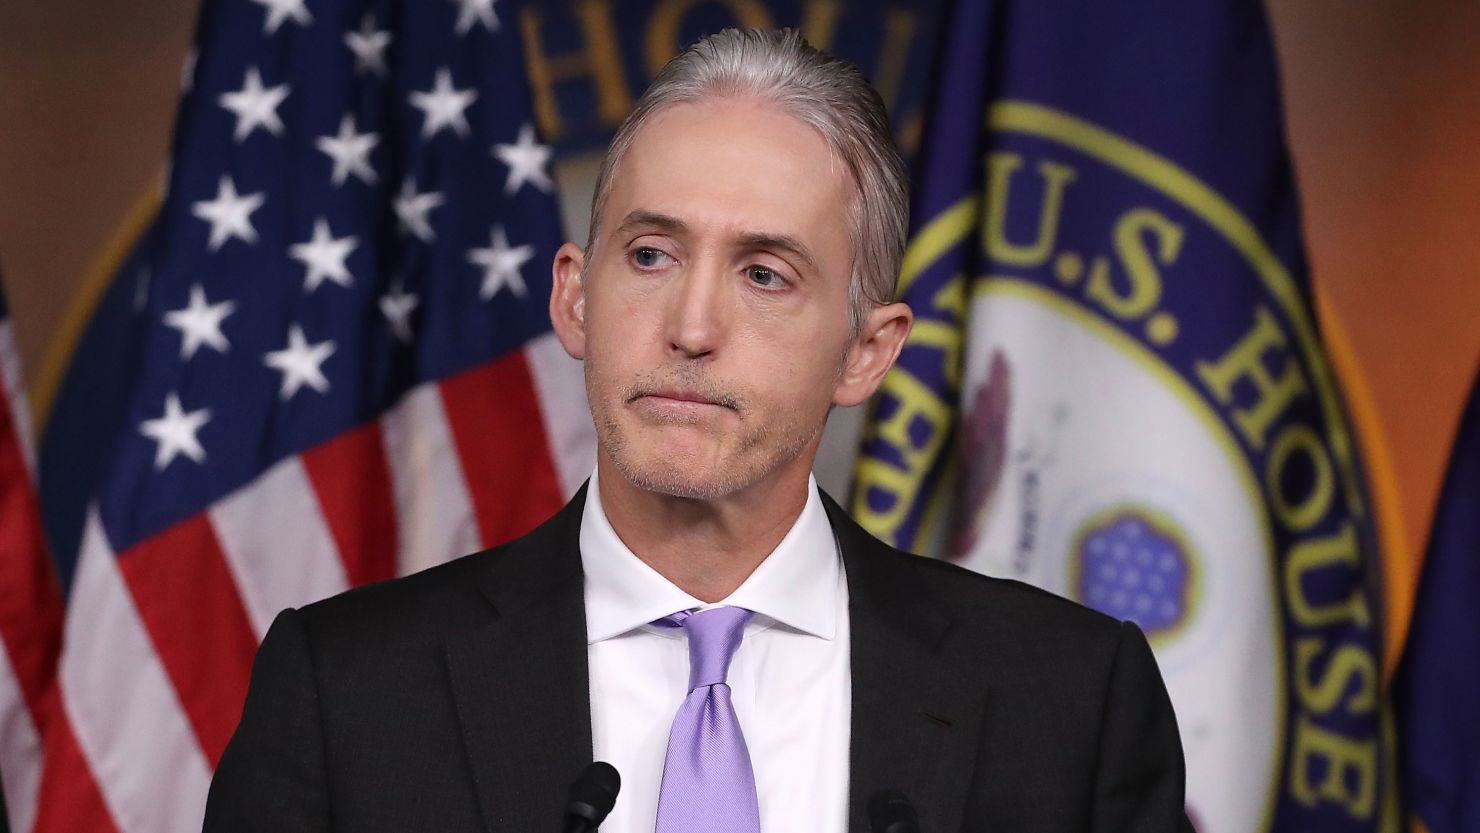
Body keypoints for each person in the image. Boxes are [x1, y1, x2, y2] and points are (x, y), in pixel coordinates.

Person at [204, 28, 1193, 833]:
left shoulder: (1069, 700)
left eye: (764, 272)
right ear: (574, 299)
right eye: (648, 254)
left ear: (867, 350)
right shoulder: (346, 694)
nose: (690, 325)